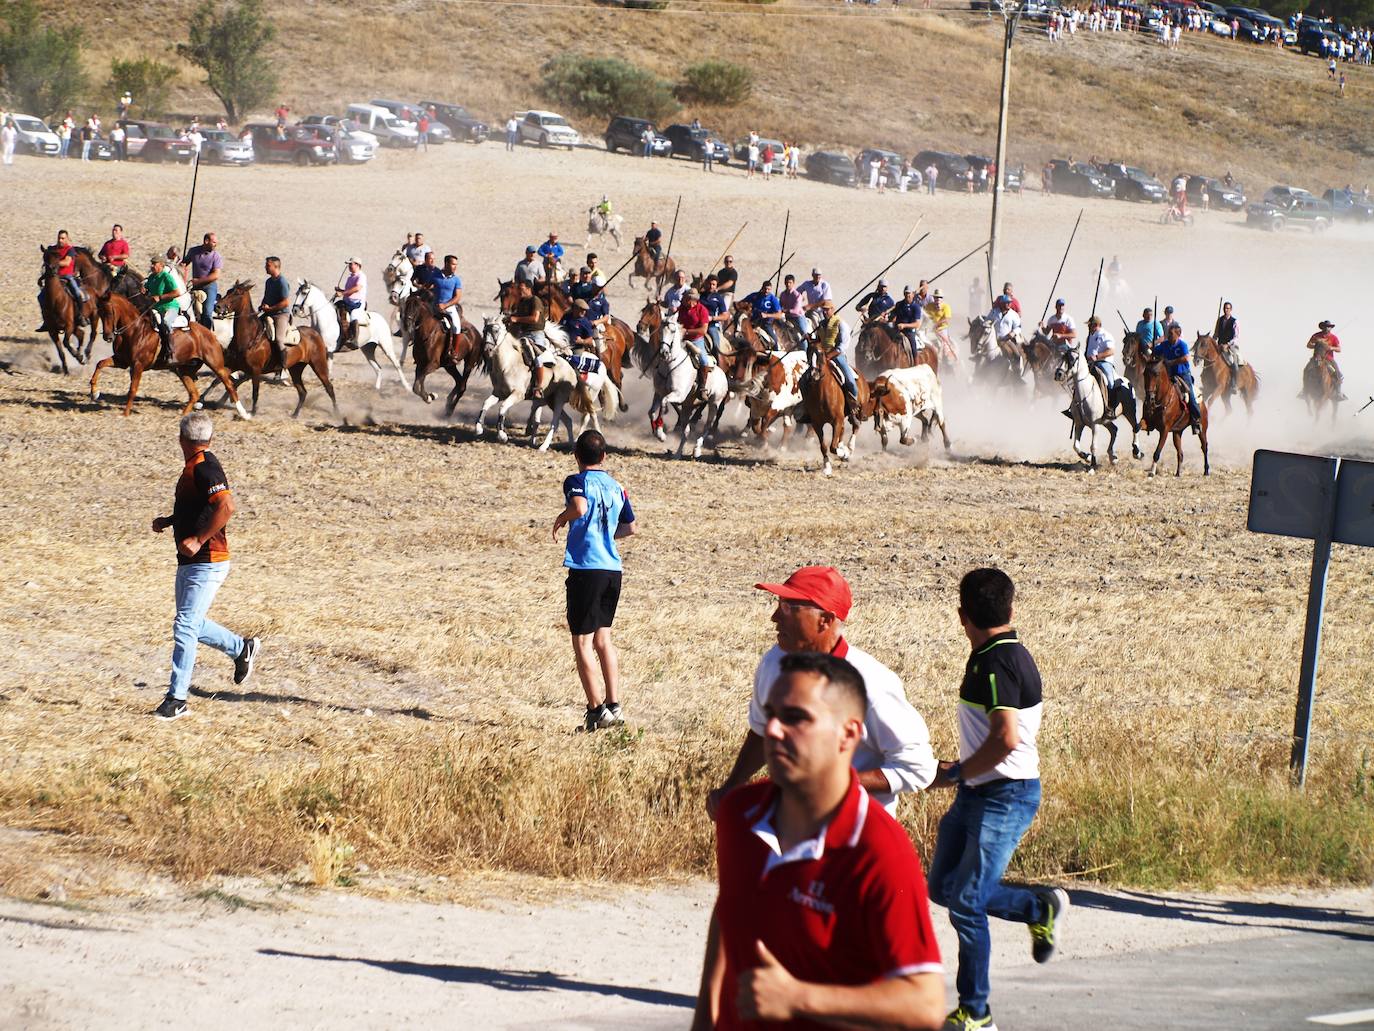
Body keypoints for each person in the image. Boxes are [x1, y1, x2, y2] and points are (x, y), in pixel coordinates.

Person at [694, 649, 946, 1031]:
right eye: (772, 715)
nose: (774, 731)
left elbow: (925, 1005)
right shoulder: (737, 814)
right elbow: (730, 909)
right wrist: (704, 1019)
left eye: (796, 718)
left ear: (848, 735)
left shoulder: (879, 851)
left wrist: (797, 998)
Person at [926, 567, 1066, 1031]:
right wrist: (963, 772)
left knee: (965, 901)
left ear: (960, 615)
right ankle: (1038, 908)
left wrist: (960, 771)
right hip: (979, 792)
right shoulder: (999, 653)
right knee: (942, 887)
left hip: (1004, 796)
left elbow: (1005, 738)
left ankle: (976, 1013)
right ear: (1011, 608)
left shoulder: (995, 662)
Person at [706, 565, 937, 821]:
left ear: (825, 620)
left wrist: (829, 785)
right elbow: (762, 731)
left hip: (854, 838)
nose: (774, 617)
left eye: (787, 607)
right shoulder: (773, 663)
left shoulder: (871, 683)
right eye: (778, 603)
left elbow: (917, 768)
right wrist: (733, 785)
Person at [149, 413, 259, 721]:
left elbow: (227, 506)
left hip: (208, 561)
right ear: (206, 439)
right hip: (190, 561)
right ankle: (241, 648)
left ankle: (177, 699)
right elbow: (198, 507)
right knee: (191, 624)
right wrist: (169, 522)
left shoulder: (206, 467)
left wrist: (198, 539)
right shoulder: (194, 467)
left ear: (181, 440)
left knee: (184, 626)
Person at [552, 430, 636, 733]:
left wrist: (563, 517)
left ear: (576, 455)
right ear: (604, 457)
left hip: (586, 569)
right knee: (604, 640)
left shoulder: (576, 481)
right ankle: (615, 706)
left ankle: (596, 711)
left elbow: (580, 508)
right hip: (612, 570)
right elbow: (630, 527)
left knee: (582, 643)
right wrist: (604, 537)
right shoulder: (617, 487)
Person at [813, 299, 861, 413]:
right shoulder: (821, 324)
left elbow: (843, 345)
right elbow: (818, 340)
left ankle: (854, 404)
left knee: (850, 381)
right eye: (823, 310)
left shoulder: (841, 324)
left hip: (837, 356)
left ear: (832, 310)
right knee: (806, 378)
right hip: (821, 357)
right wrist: (809, 339)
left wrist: (830, 355)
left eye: (827, 310)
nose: (825, 312)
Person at [1154, 323, 1202, 432]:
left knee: (1190, 394)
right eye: (1168, 334)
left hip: (1183, 374)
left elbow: (1186, 358)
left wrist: (1171, 362)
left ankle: (1196, 419)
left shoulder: (1182, 345)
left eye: (1171, 334)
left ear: (1178, 334)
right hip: (1168, 374)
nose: (1169, 336)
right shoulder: (1164, 344)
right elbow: (1154, 352)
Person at [145, 253, 185, 358]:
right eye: (152, 264)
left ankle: (171, 348)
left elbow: (177, 292)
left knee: (166, 322)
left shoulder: (167, 277)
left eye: (154, 264)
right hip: (155, 308)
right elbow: (147, 289)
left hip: (170, 307)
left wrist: (160, 297)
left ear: (161, 265)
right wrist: (144, 290)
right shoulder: (151, 277)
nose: (152, 266)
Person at [183, 232, 223, 329]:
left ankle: (208, 333)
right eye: (213, 242)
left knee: (207, 312)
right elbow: (184, 264)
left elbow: (216, 275)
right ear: (206, 241)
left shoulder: (216, 256)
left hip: (209, 287)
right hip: (195, 286)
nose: (215, 245)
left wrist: (199, 281)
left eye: (215, 242)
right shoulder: (193, 251)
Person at [258, 256, 292, 369]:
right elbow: (266, 297)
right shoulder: (268, 281)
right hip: (269, 312)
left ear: (275, 266)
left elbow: (286, 302)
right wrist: (263, 305)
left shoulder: (282, 282)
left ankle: (283, 367)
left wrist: (271, 309)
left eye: (268, 266)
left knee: (279, 339)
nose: (265, 268)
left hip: (281, 314)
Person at [430, 254, 465, 350]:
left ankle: (455, 351)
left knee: (457, 326)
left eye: (456, 265)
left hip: (449, 308)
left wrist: (445, 305)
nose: (455, 267)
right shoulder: (435, 275)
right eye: (453, 264)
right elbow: (427, 287)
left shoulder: (456, 280)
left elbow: (457, 297)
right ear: (446, 263)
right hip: (434, 306)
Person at [679, 287, 713, 381]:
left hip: (696, 340)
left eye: (685, 299)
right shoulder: (682, 308)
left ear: (691, 300)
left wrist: (686, 331)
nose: (683, 300)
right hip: (681, 338)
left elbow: (703, 330)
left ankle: (702, 386)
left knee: (703, 360)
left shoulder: (702, 310)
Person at [1307, 320, 1345, 400]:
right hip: (1316, 358)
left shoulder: (1334, 338)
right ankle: (1304, 390)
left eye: (1329, 327)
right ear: (1322, 327)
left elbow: (1339, 349)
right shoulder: (1316, 336)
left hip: (1329, 359)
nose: (1327, 328)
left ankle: (1338, 393)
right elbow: (1308, 345)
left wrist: (1331, 347)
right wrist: (1317, 345)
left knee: (1338, 374)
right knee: (1307, 370)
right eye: (1326, 326)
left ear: (1331, 328)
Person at [333, 257, 368, 347]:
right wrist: (341, 290)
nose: (349, 266)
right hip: (347, 301)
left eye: (350, 264)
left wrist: (342, 293)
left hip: (357, 303)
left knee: (354, 316)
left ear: (357, 265)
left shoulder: (361, 276)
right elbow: (349, 290)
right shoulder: (350, 277)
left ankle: (354, 339)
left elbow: (357, 288)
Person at [743, 280, 784, 348]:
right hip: (753, 321)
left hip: (766, 323)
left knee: (774, 341)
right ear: (762, 288)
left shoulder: (773, 299)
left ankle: (775, 351)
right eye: (765, 289)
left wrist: (767, 315)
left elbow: (779, 315)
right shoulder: (755, 296)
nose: (766, 291)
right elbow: (742, 302)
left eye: (769, 289)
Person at [892, 286, 925, 362]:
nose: (908, 295)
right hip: (897, 331)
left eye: (909, 293)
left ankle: (916, 364)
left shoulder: (916, 307)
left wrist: (904, 325)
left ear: (913, 294)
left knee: (913, 346)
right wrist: (886, 318)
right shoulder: (899, 304)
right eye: (906, 293)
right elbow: (892, 316)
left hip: (909, 332)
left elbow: (917, 324)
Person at [1212, 301, 1241, 384]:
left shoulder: (1235, 321)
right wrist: (1213, 339)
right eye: (1225, 308)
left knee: (1233, 362)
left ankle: (1234, 383)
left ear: (1231, 309)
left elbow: (1236, 337)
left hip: (1230, 346)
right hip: (1220, 345)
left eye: (1228, 308)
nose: (1226, 310)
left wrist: (1227, 344)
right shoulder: (1219, 320)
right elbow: (1216, 333)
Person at [700, 274, 730, 353]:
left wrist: (712, 318)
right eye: (709, 284)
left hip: (712, 326)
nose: (711, 286)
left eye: (713, 284)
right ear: (706, 283)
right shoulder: (700, 296)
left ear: (716, 286)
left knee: (716, 346)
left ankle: (719, 361)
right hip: (698, 324)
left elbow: (725, 315)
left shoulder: (718, 298)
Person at [924, 288, 954, 358]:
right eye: (936, 297)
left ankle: (949, 359)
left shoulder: (946, 307)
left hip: (941, 329)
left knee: (945, 346)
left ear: (942, 299)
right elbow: (924, 316)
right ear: (933, 298)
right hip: (930, 330)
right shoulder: (929, 306)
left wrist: (936, 324)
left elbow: (947, 319)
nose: (938, 299)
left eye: (940, 297)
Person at [778, 274, 808, 339]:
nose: (788, 284)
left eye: (790, 283)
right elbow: (780, 305)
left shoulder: (797, 295)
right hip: (788, 317)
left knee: (803, 333)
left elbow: (796, 311)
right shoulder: (782, 294)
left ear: (793, 283)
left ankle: (808, 346)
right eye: (786, 282)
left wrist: (785, 310)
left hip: (798, 317)